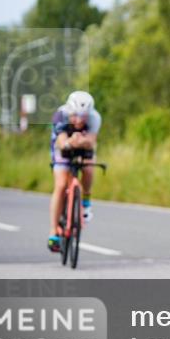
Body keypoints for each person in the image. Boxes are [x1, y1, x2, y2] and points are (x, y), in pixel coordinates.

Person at [47, 90, 101, 252]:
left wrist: (81, 141)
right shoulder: (60, 116)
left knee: (89, 168)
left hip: (81, 146)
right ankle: (53, 231)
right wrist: (75, 141)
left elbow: (91, 143)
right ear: (70, 111)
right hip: (62, 148)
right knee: (61, 184)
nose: (79, 120)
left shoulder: (95, 118)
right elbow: (62, 143)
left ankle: (86, 202)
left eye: (83, 116)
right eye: (76, 115)